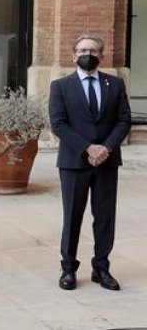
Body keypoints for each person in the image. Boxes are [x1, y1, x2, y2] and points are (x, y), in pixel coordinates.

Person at [49, 34, 132, 291]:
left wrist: (106, 148)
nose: (89, 54)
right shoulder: (61, 86)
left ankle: (101, 268)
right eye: (83, 50)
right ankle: (68, 269)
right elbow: (58, 124)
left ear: (102, 56)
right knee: (73, 216)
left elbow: (124, 120)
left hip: (107, 162)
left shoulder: (115, 85)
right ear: (74, 55)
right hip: (74, 162)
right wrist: (87, 148)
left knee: (105, 217)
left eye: (94, 50)